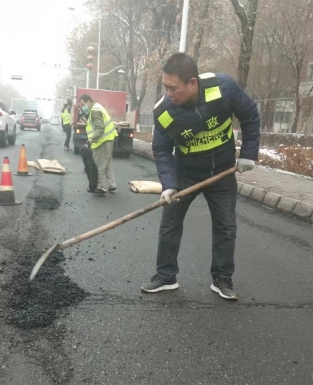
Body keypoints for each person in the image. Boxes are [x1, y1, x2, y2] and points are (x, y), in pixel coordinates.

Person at [141, 53, 260, 300]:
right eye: (166, 87)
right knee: (170, 222)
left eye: (173, 88)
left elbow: (249, 115)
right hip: (186, 172)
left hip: (222, 172)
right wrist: (169, 184)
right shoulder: (164, 111)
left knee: (226, 226)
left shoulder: (223, 88)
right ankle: (165, 276)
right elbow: (161, 149)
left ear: (193, 83)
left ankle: (222, 278)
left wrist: (249, 154)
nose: (169, 93)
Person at [79, 94, 118, 194]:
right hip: (108, 139)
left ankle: (98, 186)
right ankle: (112, 184)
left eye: (83, 104)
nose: (82, 107)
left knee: (99, 164)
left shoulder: (95, 110)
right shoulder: (96, 108)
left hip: (103, 140)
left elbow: (100, 128)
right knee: (108, 162)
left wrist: (92, 139)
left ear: (88, 101)